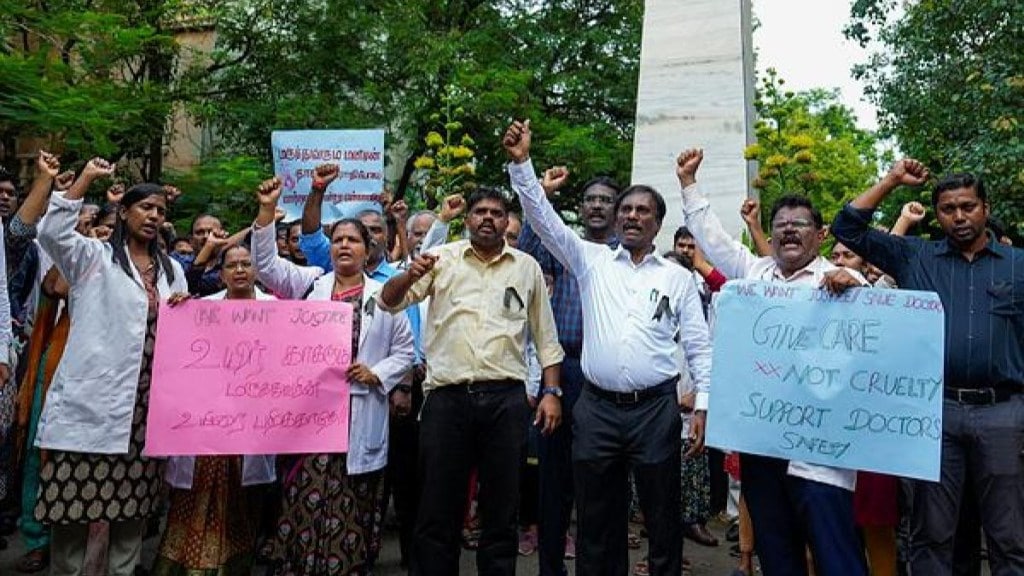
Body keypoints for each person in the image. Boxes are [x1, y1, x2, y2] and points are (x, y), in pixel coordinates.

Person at [504, 120, 712, 576]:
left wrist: (704, 407)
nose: (632, 216)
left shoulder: (675, 277)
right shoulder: (589, 260)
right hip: (596, 410)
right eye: (627, 210)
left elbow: (698, 345)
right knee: (597, 519)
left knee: (661, 515)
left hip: (656, 410)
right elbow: (543, 219)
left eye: (643, 211)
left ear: (657, 223)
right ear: (617, 219)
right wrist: (522, 164)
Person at [676, 147, 868, 576]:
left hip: (821, 454)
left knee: (836, 555)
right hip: (762, 447)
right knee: (777, 553)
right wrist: (689, 184)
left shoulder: (841, 281)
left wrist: (853, 283)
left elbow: (876, 330)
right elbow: (711, 236)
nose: (789, 232)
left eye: (800, 225)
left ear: (820, 235)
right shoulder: (753, 273)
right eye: (781, 226)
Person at [831, 160, 1024, 576]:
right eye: (948, 208)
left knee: (1009, 533)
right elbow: (847, 229)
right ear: (936, 214)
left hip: (1003, 414)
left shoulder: (1018, 266)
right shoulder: (916, 257)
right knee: (932, 532)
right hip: (935, 414)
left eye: (968, 206)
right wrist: (892, 180)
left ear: (985, 208)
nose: (959, 216)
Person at [379, 184, 564, 576]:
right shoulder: (440, 259)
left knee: (501, 508)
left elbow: (547, 339)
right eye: (480, 212)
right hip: (448, 400)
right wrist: (406, 274)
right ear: (467, 219)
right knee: (438, 507)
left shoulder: (526, 267)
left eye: (497, 214)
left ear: (506, 222)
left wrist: (550, 391)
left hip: (506, 401)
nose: (488, 219)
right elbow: (389, 301)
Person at [250, 176, 415, 575]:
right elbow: (266, 265)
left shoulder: (386, 297)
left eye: (353, 240)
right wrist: (267, 211)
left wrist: (376, 373)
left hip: (359, 417)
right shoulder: (311, 286)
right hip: (312, 423)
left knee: (353, 502)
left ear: (367, 249)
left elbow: (406, 351)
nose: (344, 245)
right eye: (337, 238)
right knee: (303, 497)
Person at [33, 159, 188, 576]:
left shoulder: (173, 273)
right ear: (123, 212)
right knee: (71, 516)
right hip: (92, 411)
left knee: (130, 517)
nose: (154, 216)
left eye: (161, 211)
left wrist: (183, 311)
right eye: (146, 208)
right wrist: (85, 179)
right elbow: (50, 232)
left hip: (143, 414)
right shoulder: (93, 257)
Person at [515, 166, 620, 575]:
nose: (596, 206)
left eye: (605, 200)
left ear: (619, 209)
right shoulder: (566, 247)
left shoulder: (627, 254)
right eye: (590, 200)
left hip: (602, 380)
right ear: (581, 208)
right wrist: (543, 193)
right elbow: (525, 248)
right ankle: (550, 569)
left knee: (598, 482)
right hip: (558, 376)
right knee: (552, 483)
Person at [151, 243, 277, 576]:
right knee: (194, 495)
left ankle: (232, 566)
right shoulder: (201, 308)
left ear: (256, 270)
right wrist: (179, 309)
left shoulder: (276, 310)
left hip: (250, 426)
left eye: (246, 264)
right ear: (220, 274)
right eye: (232, 265)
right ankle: (185, 565)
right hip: (204, 426)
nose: (239, 270)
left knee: (242, 500)